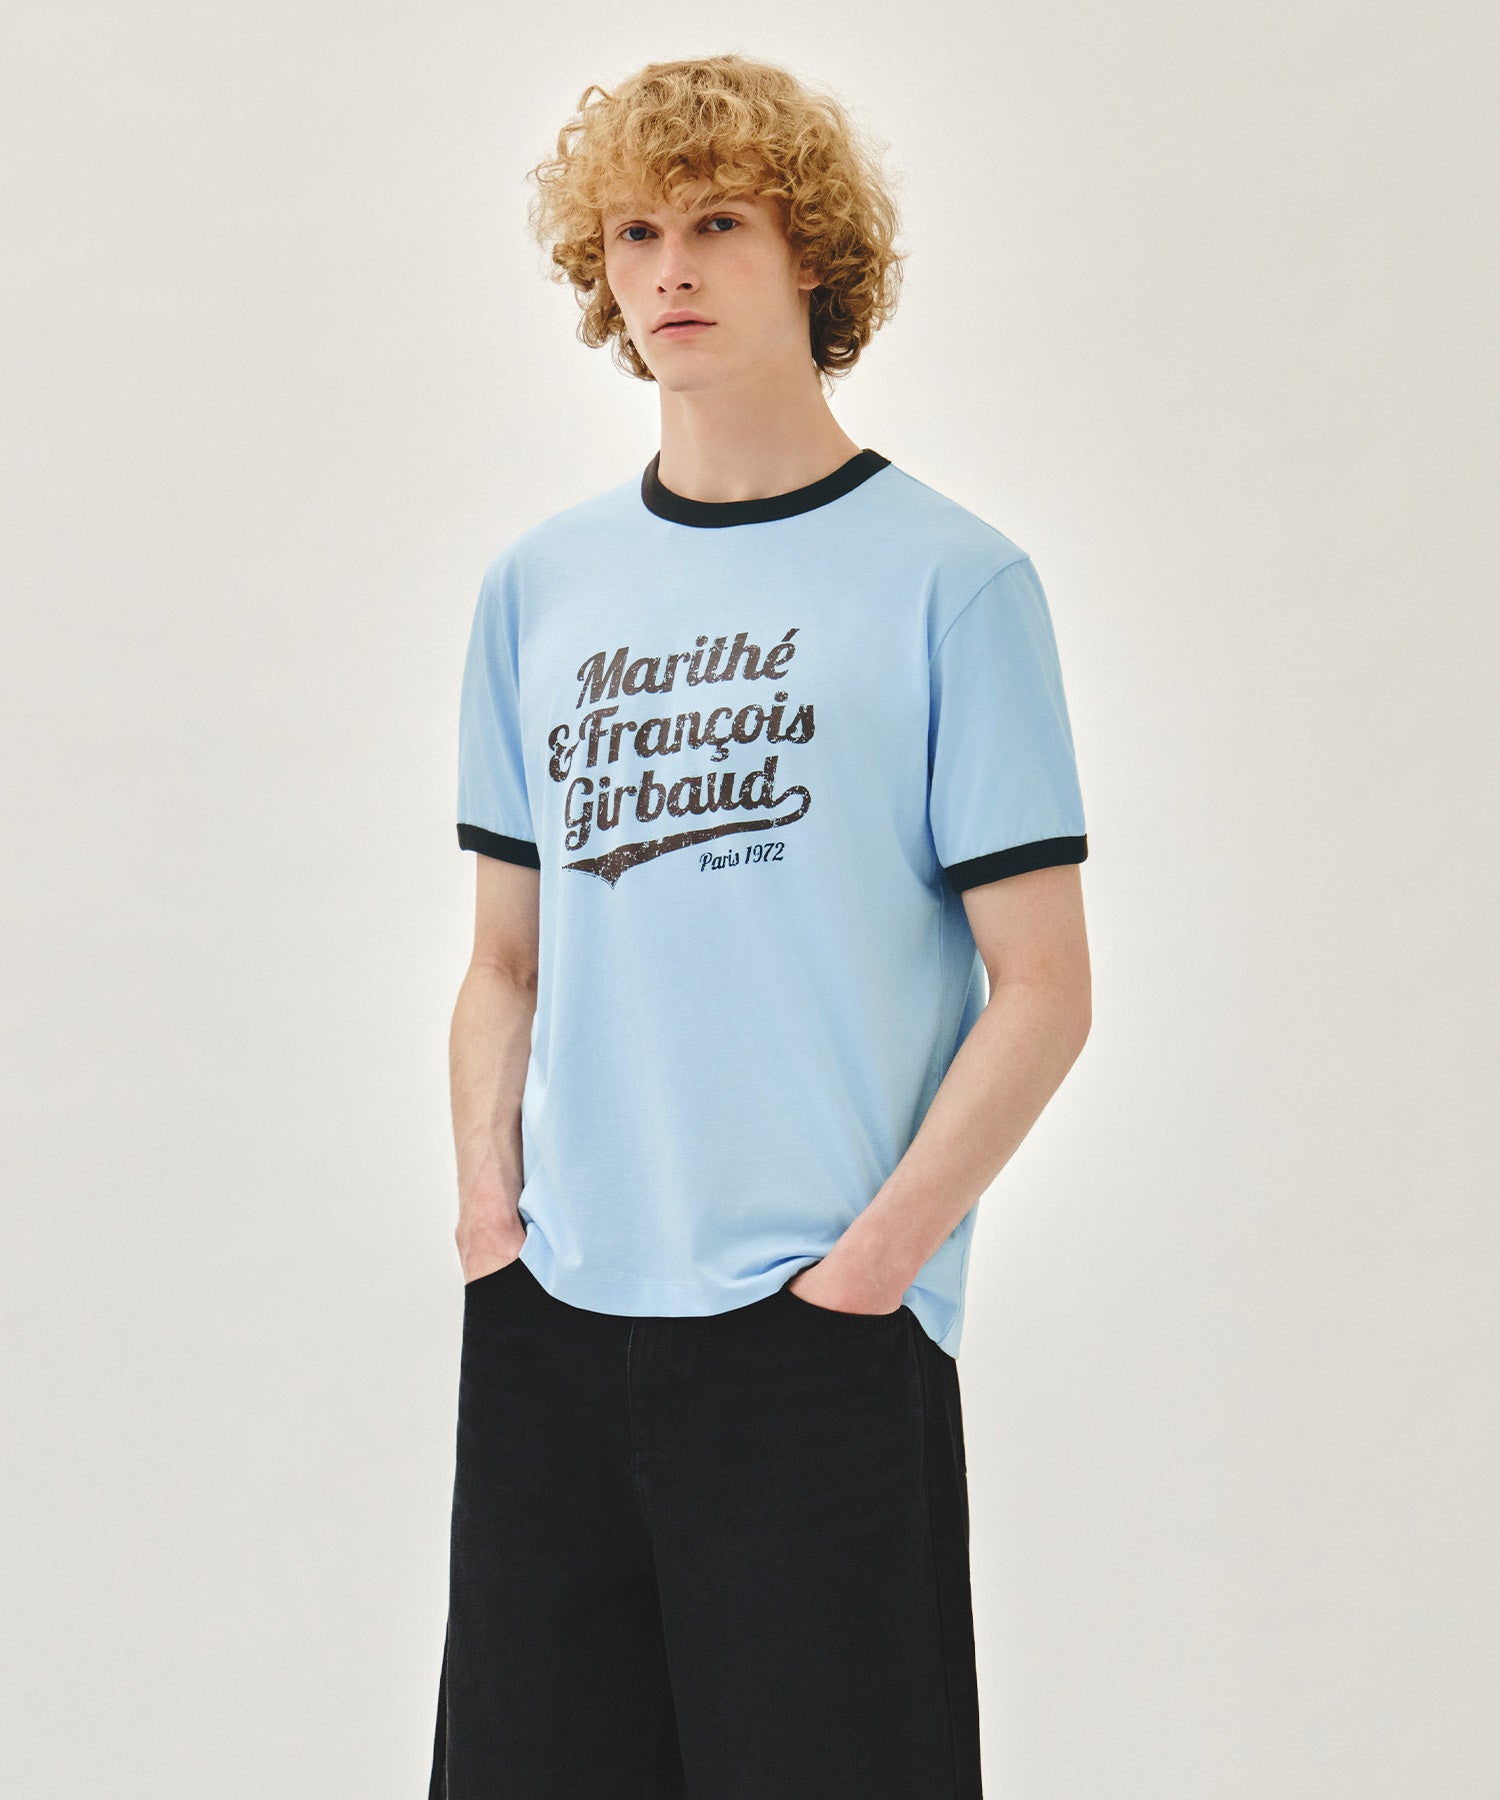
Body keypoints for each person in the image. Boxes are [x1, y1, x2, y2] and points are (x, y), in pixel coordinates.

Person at [429, 52, 1092, 1800]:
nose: (670, 270)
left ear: (813, 257)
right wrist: (494, 1232)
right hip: (556, 1322)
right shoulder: (540, 588)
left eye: (718, 222)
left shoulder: (954, 581)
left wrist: (871, 1275)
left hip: (821, 1341)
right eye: (635, 233)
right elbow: (503, 961)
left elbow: (1043, 988)